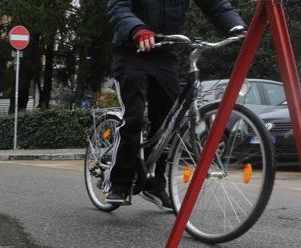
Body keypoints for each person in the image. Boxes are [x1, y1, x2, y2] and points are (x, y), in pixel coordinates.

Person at [105, 0, 245, 209]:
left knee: (171, 121)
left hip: (164, 55)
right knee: (134, 118)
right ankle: (118, 183)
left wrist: (236, 26)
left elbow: (216, 4)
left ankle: (154, 184)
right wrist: (137, 29)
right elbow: (118, 8)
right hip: (131, 52)